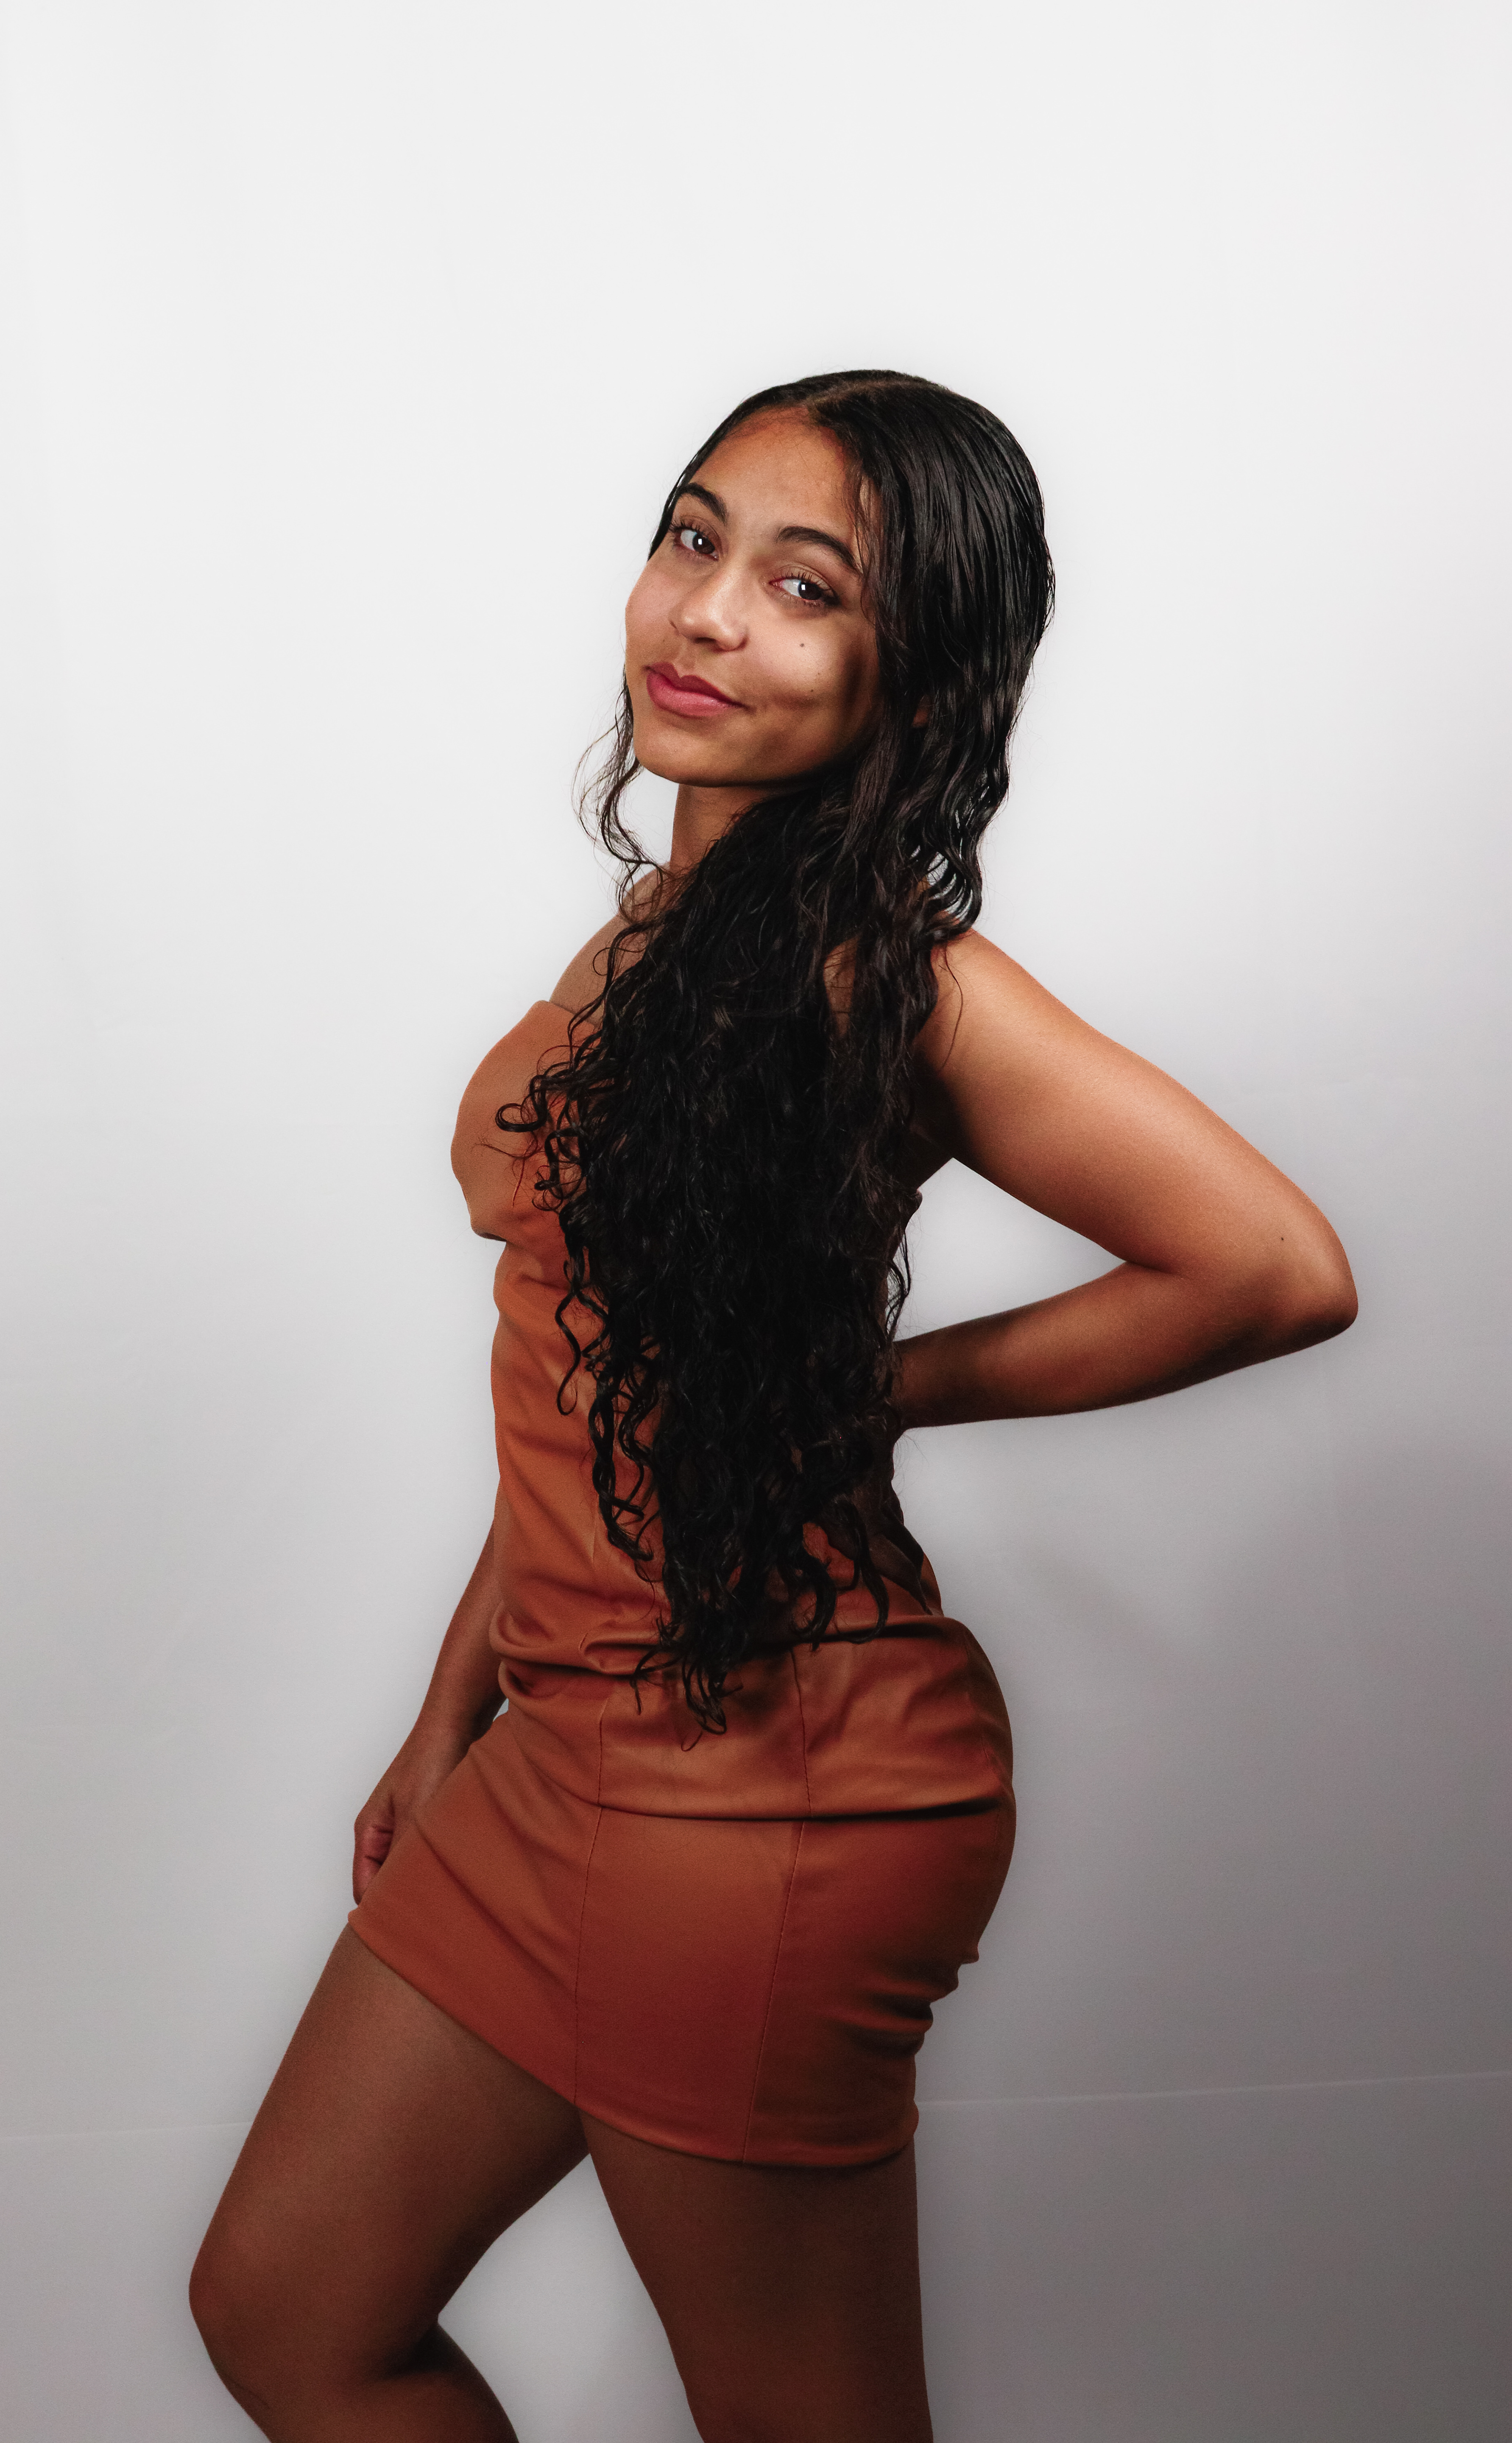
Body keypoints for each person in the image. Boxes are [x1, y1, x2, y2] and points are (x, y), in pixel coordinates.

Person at [189, 370, 1357, 2442]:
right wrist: (455, 1711)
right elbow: (602, 1383)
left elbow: (1271, 1266)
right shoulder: (660, 936)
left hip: (767, 1786)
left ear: (918, 675)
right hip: (574, 1745)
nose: (709, 611)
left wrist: (876, 1397)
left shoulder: (884, 977)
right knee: (292, 2312)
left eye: (806, 587)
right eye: (694, 535)